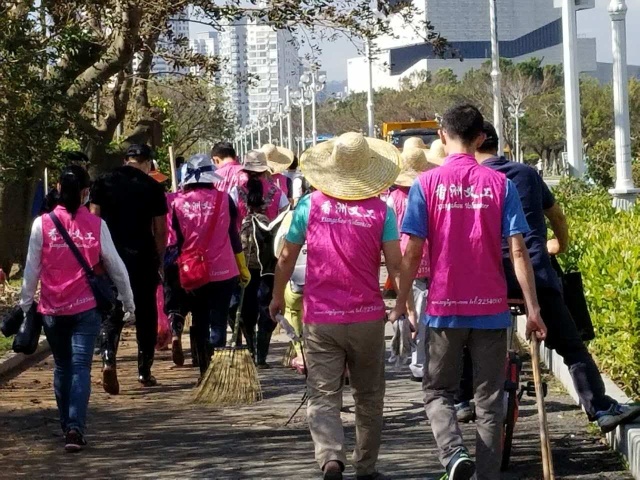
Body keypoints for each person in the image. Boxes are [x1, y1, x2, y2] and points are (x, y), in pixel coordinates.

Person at [390, 104, 547, 480]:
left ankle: (454, 454)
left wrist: (401, 301)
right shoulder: (500, 184)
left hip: (444, 307)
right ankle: (487, 475)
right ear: (480, 138)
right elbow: (519, 249)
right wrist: (534, 308)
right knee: (490, 400)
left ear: (442, 137)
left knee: (437, 392)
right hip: (490, 309)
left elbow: (412, 251)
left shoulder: (425, 185)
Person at [467, 121, 640, 434]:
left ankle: (463, 399)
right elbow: (557, 216)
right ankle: (600, 408)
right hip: (535, 273)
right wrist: (559, 245)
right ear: (497, 144)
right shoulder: (527, 174)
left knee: (465, 338)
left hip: (485, 278)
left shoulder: (468, 180)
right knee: (571, 345)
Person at [270, 132, 404, 480]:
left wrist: (275, 297)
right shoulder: (381, 211)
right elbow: (396, 264)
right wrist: (404, 305)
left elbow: (286, 258)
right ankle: (366, 466)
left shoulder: (309, 206)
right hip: (367, 319)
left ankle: (331, 457)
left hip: (321, 319)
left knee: (324, 394)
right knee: (369, 396)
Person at [20, 166, 134, 452]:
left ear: (58, 187)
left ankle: (65, 425)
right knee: (80, 367)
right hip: (86, 308)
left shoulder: (42, 224)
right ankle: (75, 429)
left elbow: (31, 269)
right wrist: (128, 301)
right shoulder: (97, 225)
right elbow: (116, 266)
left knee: (62, 366)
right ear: (85, 192)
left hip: (52, 310)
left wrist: (24, 305)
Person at [91, 144, 168, 391]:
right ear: (147, 163)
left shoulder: (103, 182)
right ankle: (144, 371)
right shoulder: (153, 187)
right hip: (142, 256)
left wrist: (97, 256)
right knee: (146, 312)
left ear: (126, 160)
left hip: (110, 255)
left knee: (112, 311)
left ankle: (107, 360)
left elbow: (94, 220)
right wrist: (158, 257)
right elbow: (161, 231)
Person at [169, 154, 250, 379]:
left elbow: (175, 240)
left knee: (199, 319)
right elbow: (233, 235)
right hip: (224, 271)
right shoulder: (225, 200)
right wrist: (242, 266)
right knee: (219, 320)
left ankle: (204, 372)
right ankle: (217, 373)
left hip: (193, 271)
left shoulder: (177, 203)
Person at [386, 146, 441, 380]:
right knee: (427, 314)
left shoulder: (392, 198)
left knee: (415, 313)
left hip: (404, 260)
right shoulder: (430, 193)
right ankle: (422, 362)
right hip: (431, 257)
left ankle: (419, 362)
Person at [231, 150, 289, 368]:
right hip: (268, 257)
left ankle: (251, 345)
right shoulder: (277, 192)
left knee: (244, 303)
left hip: (242, 255)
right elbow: (285, 223)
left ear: (245, 170)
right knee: (267, 302)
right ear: (266, 170)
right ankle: (261, 354)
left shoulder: (236, 192)